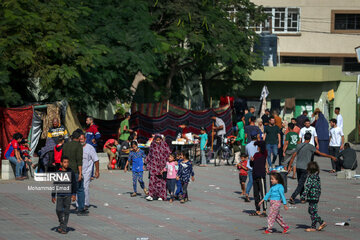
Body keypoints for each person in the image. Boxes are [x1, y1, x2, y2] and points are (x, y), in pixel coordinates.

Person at [288, 133, 336, 204]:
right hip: (305, 168)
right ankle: (292, 197)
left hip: (298, 167)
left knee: (300, 183)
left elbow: (293, 156)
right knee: (301, 184)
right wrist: (331, 157)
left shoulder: (298, 145)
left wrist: (289, 166)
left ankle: (302, 199)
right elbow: (320, 153)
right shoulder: (311, 147)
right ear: (310, 139)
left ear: (304, 137)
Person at [62, 130, 86, 215]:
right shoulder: (78, 146)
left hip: (66, 171)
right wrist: (80, 173)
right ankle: (80, 209)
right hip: (75, 171)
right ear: (79, 137)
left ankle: (63, 208)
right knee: (80, 189)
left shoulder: (65, 145)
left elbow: (62, 158)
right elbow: (79, 161)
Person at [51, 156, 77, 234]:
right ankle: (61, 222)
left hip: (68, 195)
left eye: (67, 162)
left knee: (66, 211)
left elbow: (74, 183)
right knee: (58, 210)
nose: (66, 164)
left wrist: (74, 194)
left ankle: (64, 227)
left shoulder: (71, 172)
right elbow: (55, 184)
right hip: (59, 194)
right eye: (65, 162)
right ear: (61, 163)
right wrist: (53, 195)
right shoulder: (58, 172)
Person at [301, 161, 327, 232]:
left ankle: (321, 222)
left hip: (312, 197)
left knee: (312, 212)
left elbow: (307, 188)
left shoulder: (310, 178)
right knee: (313, 211)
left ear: (309, 170)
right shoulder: (317, 177)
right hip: (316, 196)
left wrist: (303, 197)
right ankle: (314, 225)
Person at [145, 135, 171, 201]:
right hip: (154, 166)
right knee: (152, 180)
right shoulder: (152, 145)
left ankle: (161, 196)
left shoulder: (164, 145)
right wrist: (145, 162)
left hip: (162, 167)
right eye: (157, 140)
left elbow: (169, 154)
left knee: (161, 181)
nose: (158, 141)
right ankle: (151, 195)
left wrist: (171, 162)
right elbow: (149, 155)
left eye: (159, 140)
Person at [79, 133, 100, 210]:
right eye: (79, 139)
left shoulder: (90, 148)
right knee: (78, 187)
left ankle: (85, 204)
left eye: (82, 139)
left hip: (87, 171)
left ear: (85, 139)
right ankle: (79, 205)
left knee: (85, 186)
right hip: (79, 170)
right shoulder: (78, 147)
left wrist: (97, 171)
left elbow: (96, 160)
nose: (81, 141)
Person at [249, 141, 268, 217]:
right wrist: (251, 161)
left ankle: (264, 210)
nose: (257, 148)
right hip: (255, 176)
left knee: (263, 193)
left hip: (261, 177)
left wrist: (256, 143)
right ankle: (257, 210)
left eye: (258, 147)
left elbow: (263, 144)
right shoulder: (256, 154)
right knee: (256, 194)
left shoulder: (264, 153)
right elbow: (252, 165)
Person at [245, 135, 258, 202]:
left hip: (250, 165)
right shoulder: (258, 145)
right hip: (257, 165)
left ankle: (247, 193)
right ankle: (259, 195)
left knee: (251, 181)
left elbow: (246, 154)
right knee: (258, 181)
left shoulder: (247, 145)